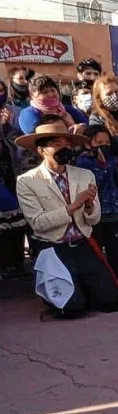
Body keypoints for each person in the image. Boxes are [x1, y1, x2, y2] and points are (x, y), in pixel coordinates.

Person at [15, 116, 118, 317]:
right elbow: (38, 224)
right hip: (53, 247)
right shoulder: (27, 181)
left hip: (82, 243)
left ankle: (83, 284)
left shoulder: (84, 175)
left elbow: (93, 220)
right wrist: (73, 206)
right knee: (72, 309)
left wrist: (88, 206)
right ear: (41, 150)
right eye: (56, 143)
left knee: (111, 300)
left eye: (66, 142)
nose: (64, 147)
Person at [75, 125, 118, 281]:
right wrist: (101, 166)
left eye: (107, 142)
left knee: (117, 248)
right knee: (96, 248)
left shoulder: (114, 159)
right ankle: (100, 278)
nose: (104, 145)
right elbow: (93, 185)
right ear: (88, 143)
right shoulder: (83, 162)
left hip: (115, 212)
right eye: (99, 142)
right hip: (96, 214)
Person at [0, 79, 25, 277]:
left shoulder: (12, 111)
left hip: (11, 171)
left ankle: (16, 262)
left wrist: (7, 127)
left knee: (17, 217)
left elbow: (18, 144)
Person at [18, 75, 87, 136]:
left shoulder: (67, 109)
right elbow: (36, 135)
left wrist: (82, 127)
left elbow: (88, 125)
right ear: (32, 95)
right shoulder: (29, 114)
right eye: (44, 92)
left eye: (53, 90)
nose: (51, 94)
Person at [88, 76, 118, 152]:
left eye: (117, 92)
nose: (115, 96)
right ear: (100, 98)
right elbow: (105, 146)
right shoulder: (97, 118)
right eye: (109, 94)